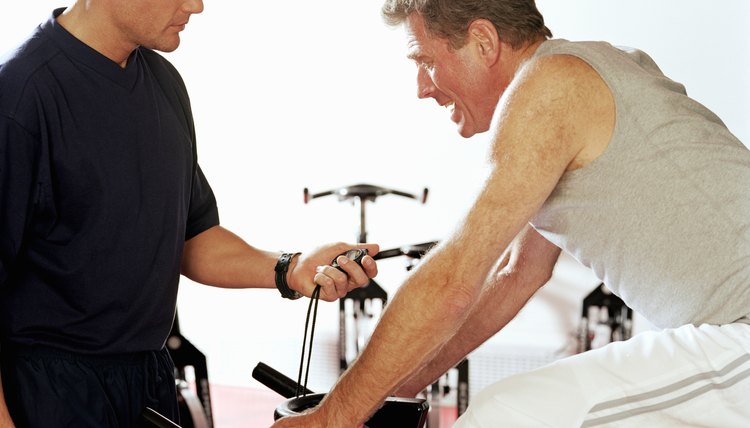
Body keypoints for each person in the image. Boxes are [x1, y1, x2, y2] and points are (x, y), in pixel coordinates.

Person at [272, 0, 750, 427]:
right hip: (729, 342)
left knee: (506, 415)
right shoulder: (580, 77)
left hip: (741, 335)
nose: (422, 88)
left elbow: (453, 281)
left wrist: (331, 418)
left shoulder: (550, 89)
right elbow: (516, 274)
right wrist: (388, 395)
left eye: (426, 61)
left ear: (483, 41)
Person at [0, 1, 380, 427]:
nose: (196, 6)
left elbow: (191, 237)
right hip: (48, 395)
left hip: (148, 384)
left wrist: (290, 270)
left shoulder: (162, 82)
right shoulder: (20, 95)